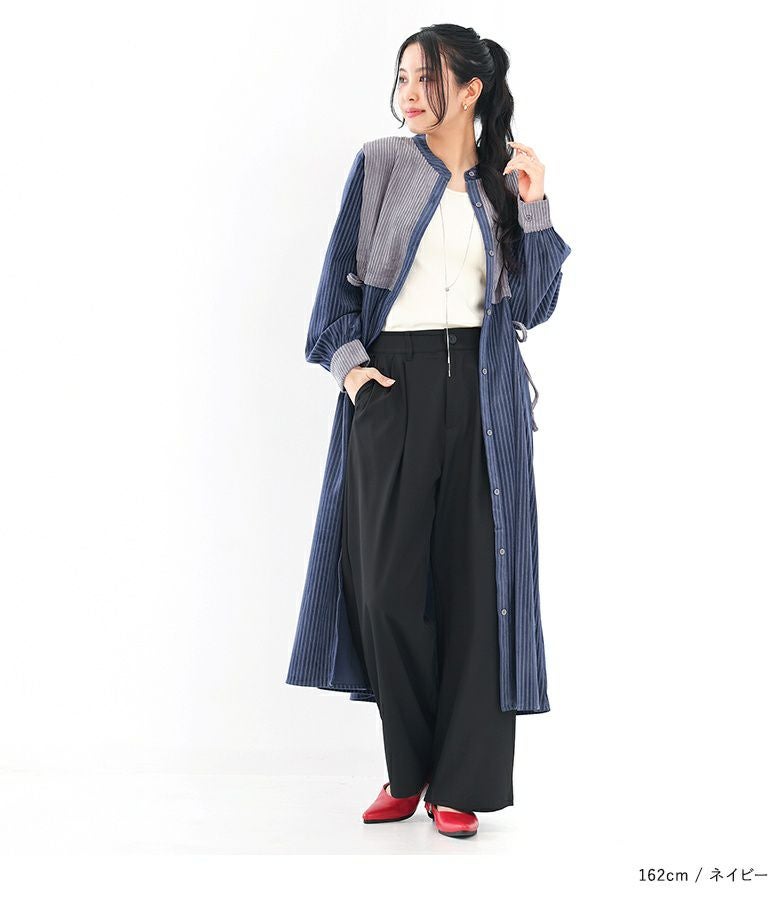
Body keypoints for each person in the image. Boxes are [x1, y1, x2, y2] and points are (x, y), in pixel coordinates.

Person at [286, 23, 572, 840]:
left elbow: (536, 307)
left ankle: (460, 784)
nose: (409, 93)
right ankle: (407, 768)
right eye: (404, 77)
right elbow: (334, 297)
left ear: (471, 89)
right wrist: (354, 375)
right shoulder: (380, 164)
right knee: (386, 592)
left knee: (479, 590)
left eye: (428, 78)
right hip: (393, 390)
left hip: (484, 393)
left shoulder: (502, 182)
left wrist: (535, 206)